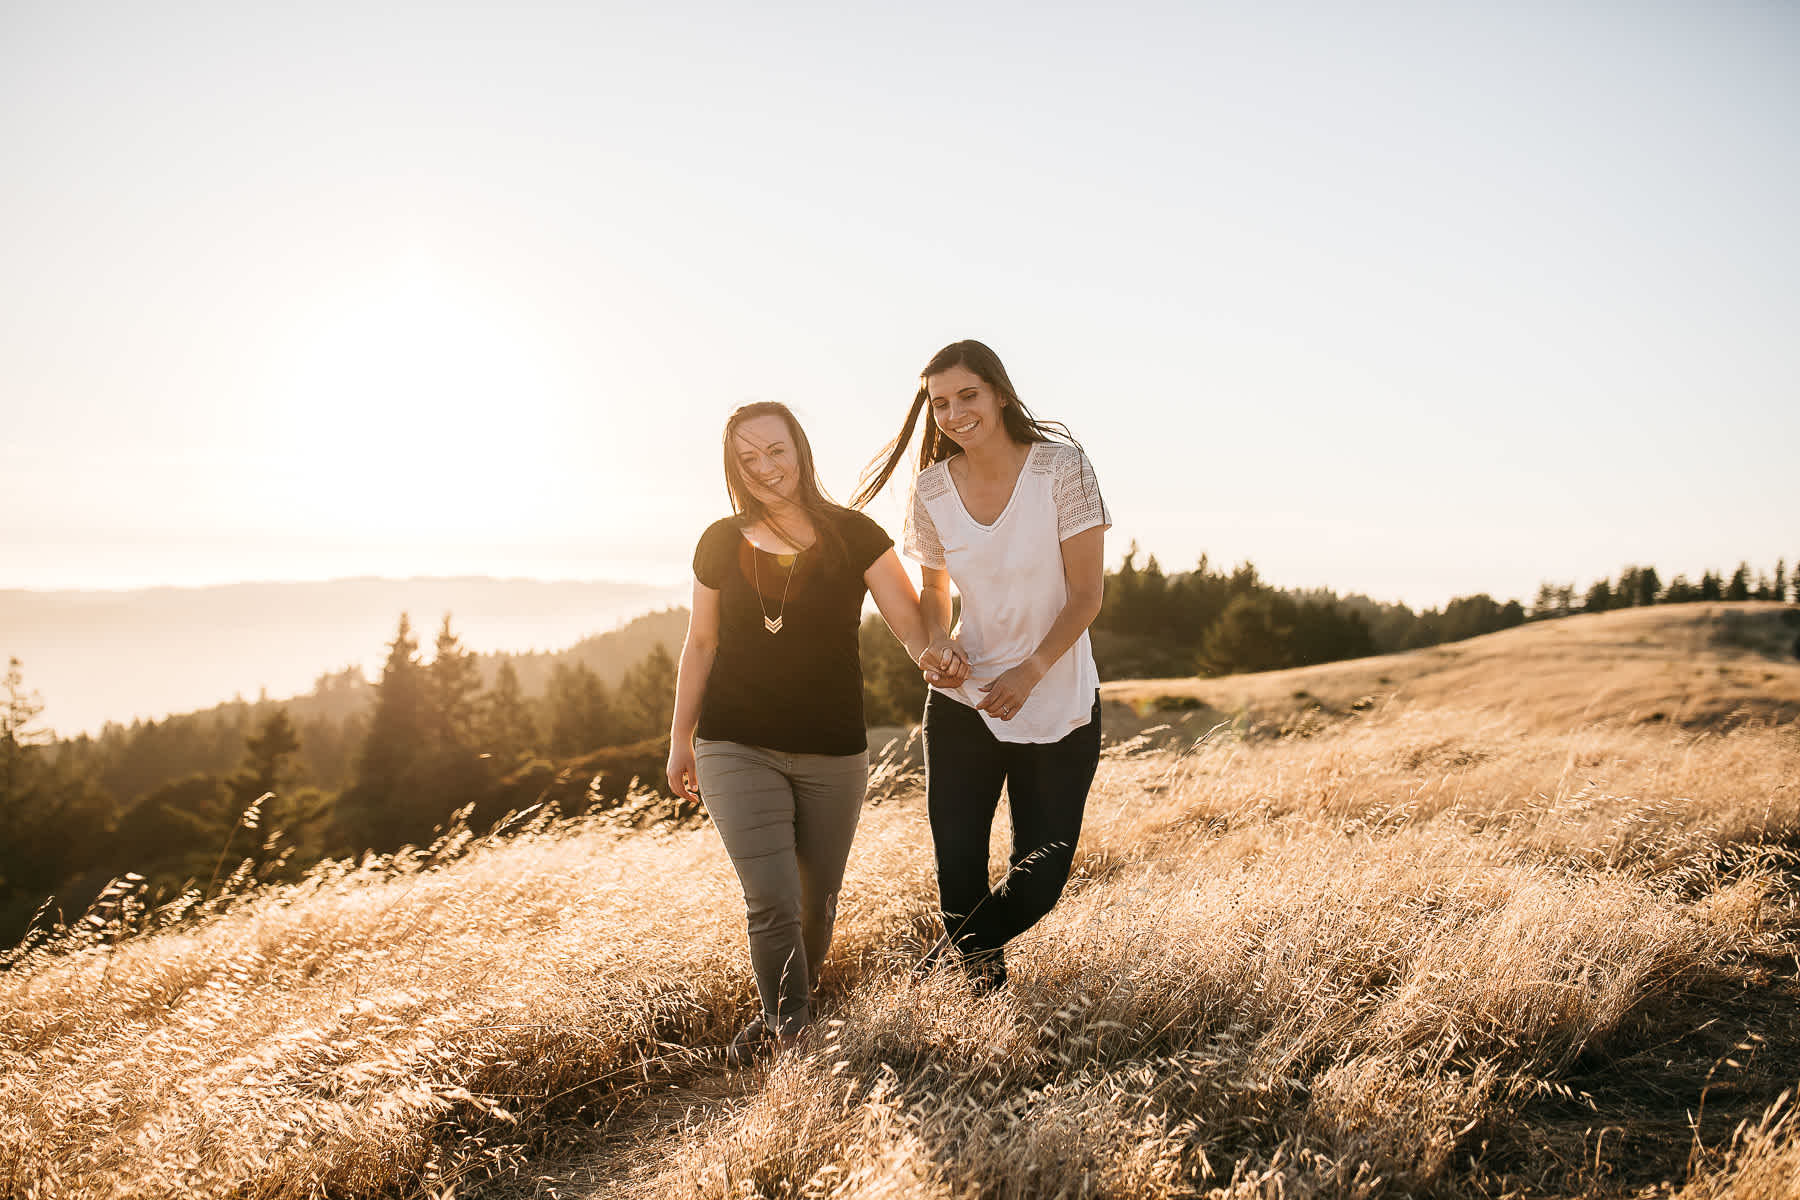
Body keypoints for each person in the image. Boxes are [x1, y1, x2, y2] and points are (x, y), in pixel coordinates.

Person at [668, 401, 963, 1063]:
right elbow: (701, 642)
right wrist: (680, 738)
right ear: (733, 469)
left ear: (800, 449)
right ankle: (793, 1038)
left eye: (775, 450)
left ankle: (777, 1016)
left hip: (834, 749)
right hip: (734, 744)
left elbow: (912, 627)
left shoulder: (855, 535)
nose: (765, 468)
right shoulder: (718, 541)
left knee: (815, 904)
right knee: (771, 898)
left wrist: (938, 653)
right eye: (748, 458)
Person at [853, 339, 1110, 993]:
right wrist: (940, 642)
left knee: (1041, 878)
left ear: (998, 392)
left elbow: (1086, 595)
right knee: (959, 874)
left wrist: (1029, 671)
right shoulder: (933, 489)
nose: (954, 413)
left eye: (967, 395)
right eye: (940, 403)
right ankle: (980, 1003)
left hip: (1057, 699)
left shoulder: (1062, 470)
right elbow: (934, 588)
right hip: (964, 700)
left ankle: (934, 973)